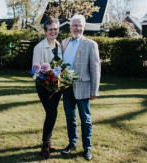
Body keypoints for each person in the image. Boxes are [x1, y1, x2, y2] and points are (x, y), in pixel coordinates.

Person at [60, 14, 101, 161]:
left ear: (84, 27)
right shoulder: (64, 43)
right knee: (70, 118)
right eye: (75, 25)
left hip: (83, 87)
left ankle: (87, 148)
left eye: (80, 25)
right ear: (70, 27)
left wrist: (94, 90)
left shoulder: (91, 44)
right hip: (67, 86)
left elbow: (95, 69)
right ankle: (72, 143)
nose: (77, 28)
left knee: (85, 119)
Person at [32, 18, 62, 159]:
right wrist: (46, 79)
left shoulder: (60, 46)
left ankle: (48, 140)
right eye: (50, 29)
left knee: (53, 113)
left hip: (57, 86)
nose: (53, 31)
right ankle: (45, 144)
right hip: (44, 86)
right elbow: (35, 71)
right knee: (51, 112)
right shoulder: (39, 47)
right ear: (45, 31)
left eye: (55, 29)